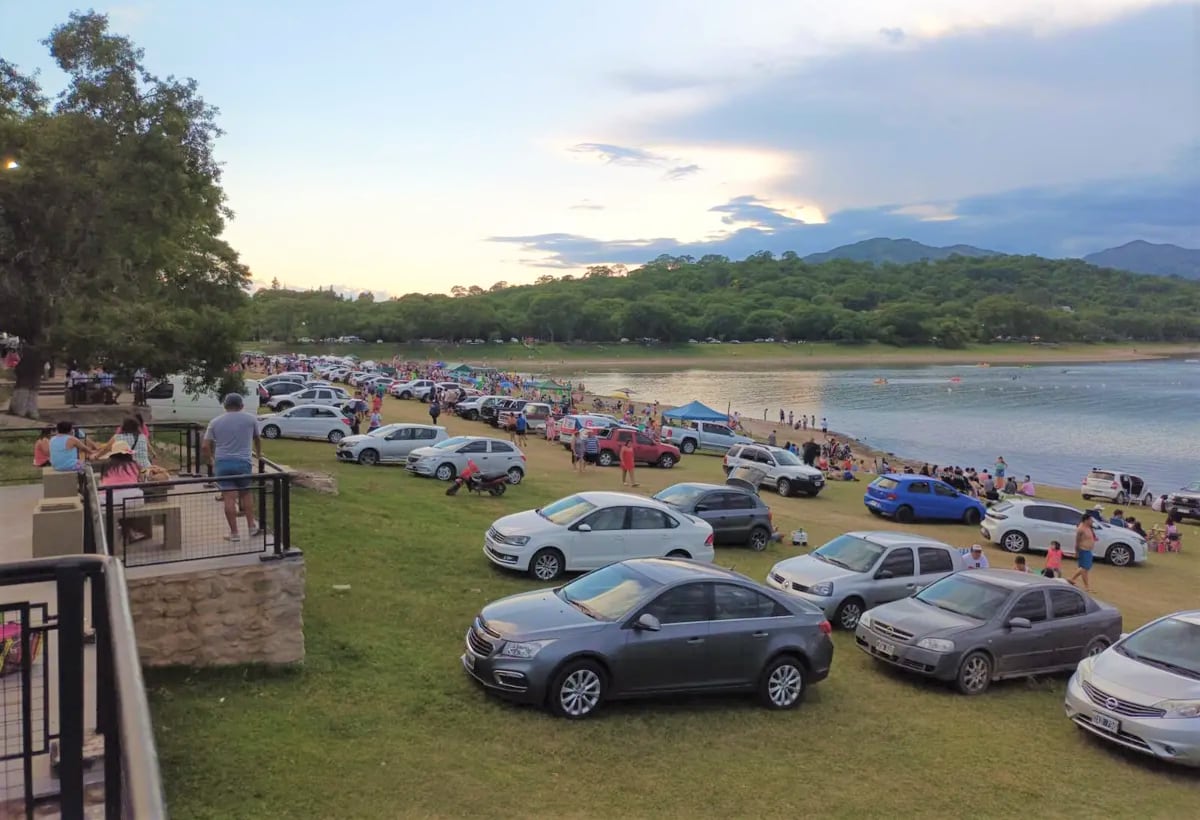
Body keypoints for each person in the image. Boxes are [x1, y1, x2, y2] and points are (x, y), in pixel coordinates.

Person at [202, 393, 262, 543]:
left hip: (223, 463)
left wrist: (211, 460)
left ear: (225, 406)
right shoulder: (250, 419)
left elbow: (205, 445)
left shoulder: (215, 422)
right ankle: (252, 527)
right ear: (241, 406)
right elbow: (257, 439)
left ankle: (234, 533)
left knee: (229, 497)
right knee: (246, 494)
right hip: (243, 462)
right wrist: (259, 455)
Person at [99, 440, 150, 542]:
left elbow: (102, 480)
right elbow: (142, 477)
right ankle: (130, 531)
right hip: (131, 498)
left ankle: (121, 530)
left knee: (118, 507)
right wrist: (146, 470)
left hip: (107, 500)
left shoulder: (106, 465)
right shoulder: (134, 464)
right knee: (131, 505)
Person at [1068, 513, 1096, 592]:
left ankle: (1072, 579)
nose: (1092, 521)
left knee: (1084, 568)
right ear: (1086, 520)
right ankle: (1087, 587)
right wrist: (1076, 552)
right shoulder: (1081, 529)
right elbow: (1077, 541)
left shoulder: (1089, 527)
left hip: (1088, 550)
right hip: (1083, 550)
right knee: (1085, 569)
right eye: (1090, 520)